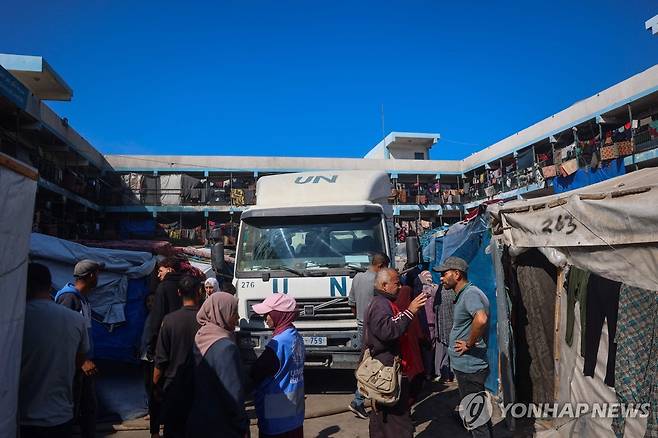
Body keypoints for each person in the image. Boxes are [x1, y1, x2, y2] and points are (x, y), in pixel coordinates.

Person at [20, 263, 89, 438]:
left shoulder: (15, 320)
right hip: (60, 415)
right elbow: (80, 360)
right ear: (50, 286)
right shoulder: (75, 320)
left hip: (20, 418)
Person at [365, 268, 428, 438]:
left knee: (382, 417)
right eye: (396, 284)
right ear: (384, 285)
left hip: (386, 369)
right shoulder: (380, 304)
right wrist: (410, 311)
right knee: (398, 420)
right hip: (386, 371)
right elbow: (387, 331)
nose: (400, 288)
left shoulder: (383, 302)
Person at [435, 256, 493, 438]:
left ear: (457, 274)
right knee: (479, 414)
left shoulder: (470, 294)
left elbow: (481, 318)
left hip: (470, 367)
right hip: (467, 367)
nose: (441, 278)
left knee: (475, 417)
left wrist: (469, 343)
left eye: (445, 274)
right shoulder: (466, 294)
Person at [186, 292, 249, 438]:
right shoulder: (226, 348)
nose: (238, 319)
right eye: (234, 313)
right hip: (222, 426)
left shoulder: (201, 336)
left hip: (199, 422)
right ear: (221, 313)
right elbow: (234, 395)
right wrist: (242, 426)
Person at [55, 259, 104, 438]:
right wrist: (81, 360)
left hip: (83, 363)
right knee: (72, 409)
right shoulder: (69, 297)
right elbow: (62, 334)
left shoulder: (82, 299)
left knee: (88, 408)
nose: (99, 277)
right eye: (97, 273)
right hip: (75, 365)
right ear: (91, 276)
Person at [251, 294, 305, 438]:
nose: (265, 318)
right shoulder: (296, 336)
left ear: (278, 315)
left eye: (268, 314)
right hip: (295, 414)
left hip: (276, 418)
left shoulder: (278, 344)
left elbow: (256, 373)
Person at [153, 275, 201, 438]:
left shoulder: (169, 321)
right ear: (199, 292)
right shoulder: (206, 320)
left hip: (174, 388)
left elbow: (160, 362)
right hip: (200, 388)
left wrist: (155, 386)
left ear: (179, 292)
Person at [347, 252, 390, 419]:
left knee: (367, 362)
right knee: (374, 364)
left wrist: (360, 319)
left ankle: (365, 400)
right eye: (385, 267)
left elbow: (351, 303)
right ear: (380, 266)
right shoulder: (378, 282)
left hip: (361, 326)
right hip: (374, 328)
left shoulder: (357, 278)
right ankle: (359, 401)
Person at [148, 257, 184, 359]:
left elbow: (157, 319)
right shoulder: (186, 285)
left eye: (160, 271)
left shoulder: (163, 287)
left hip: (166, 340)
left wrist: (151, 348)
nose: (158, 275)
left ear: (169, 270)